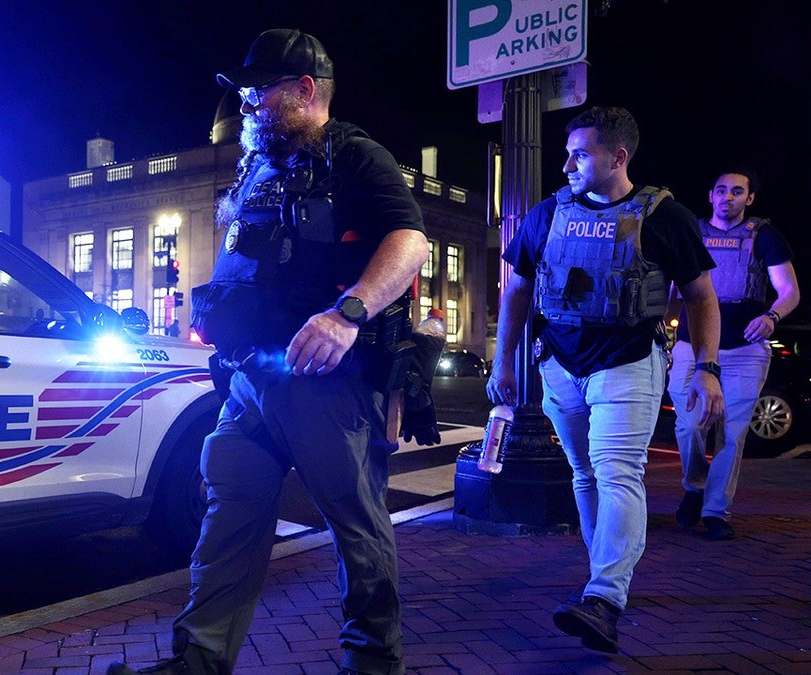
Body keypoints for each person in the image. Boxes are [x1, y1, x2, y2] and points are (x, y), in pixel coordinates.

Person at [109, 29, 430, 675]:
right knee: (229, 514)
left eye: (261, 89)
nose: (249, 102)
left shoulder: (355, 155)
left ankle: (374, 663)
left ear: (305, 90)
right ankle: (200, 658)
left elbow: (411, 241)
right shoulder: (260, 164)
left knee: (356, 527)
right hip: (251, 379)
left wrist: (347, 314)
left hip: (324, 383)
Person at [486, 107, 724, 654]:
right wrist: (503, 362)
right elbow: (517, 289)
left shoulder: (666, 217)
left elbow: (701, 296)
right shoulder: (548, 213)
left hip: (628, 362)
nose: (567, 165)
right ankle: (601, 579)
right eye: (567, 153)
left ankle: (604, 596)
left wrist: (707, 369)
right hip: (560, 366)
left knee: (618, 471)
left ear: (618, 158)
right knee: (585, 473)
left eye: (580, 154)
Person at [666, 167, 799, 541]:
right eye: (721, 190)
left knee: (732, 433)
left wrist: (772, 317)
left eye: (737, 191)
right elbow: (672, 288)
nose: (728, 197)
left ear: (750, 198)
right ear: (710, 195)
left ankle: (715, 512)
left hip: (744, 350)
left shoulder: (764, 237)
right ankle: (695, 487)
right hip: (693, 346)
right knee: (689, 425)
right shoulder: (692, 233)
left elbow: (789, 291)